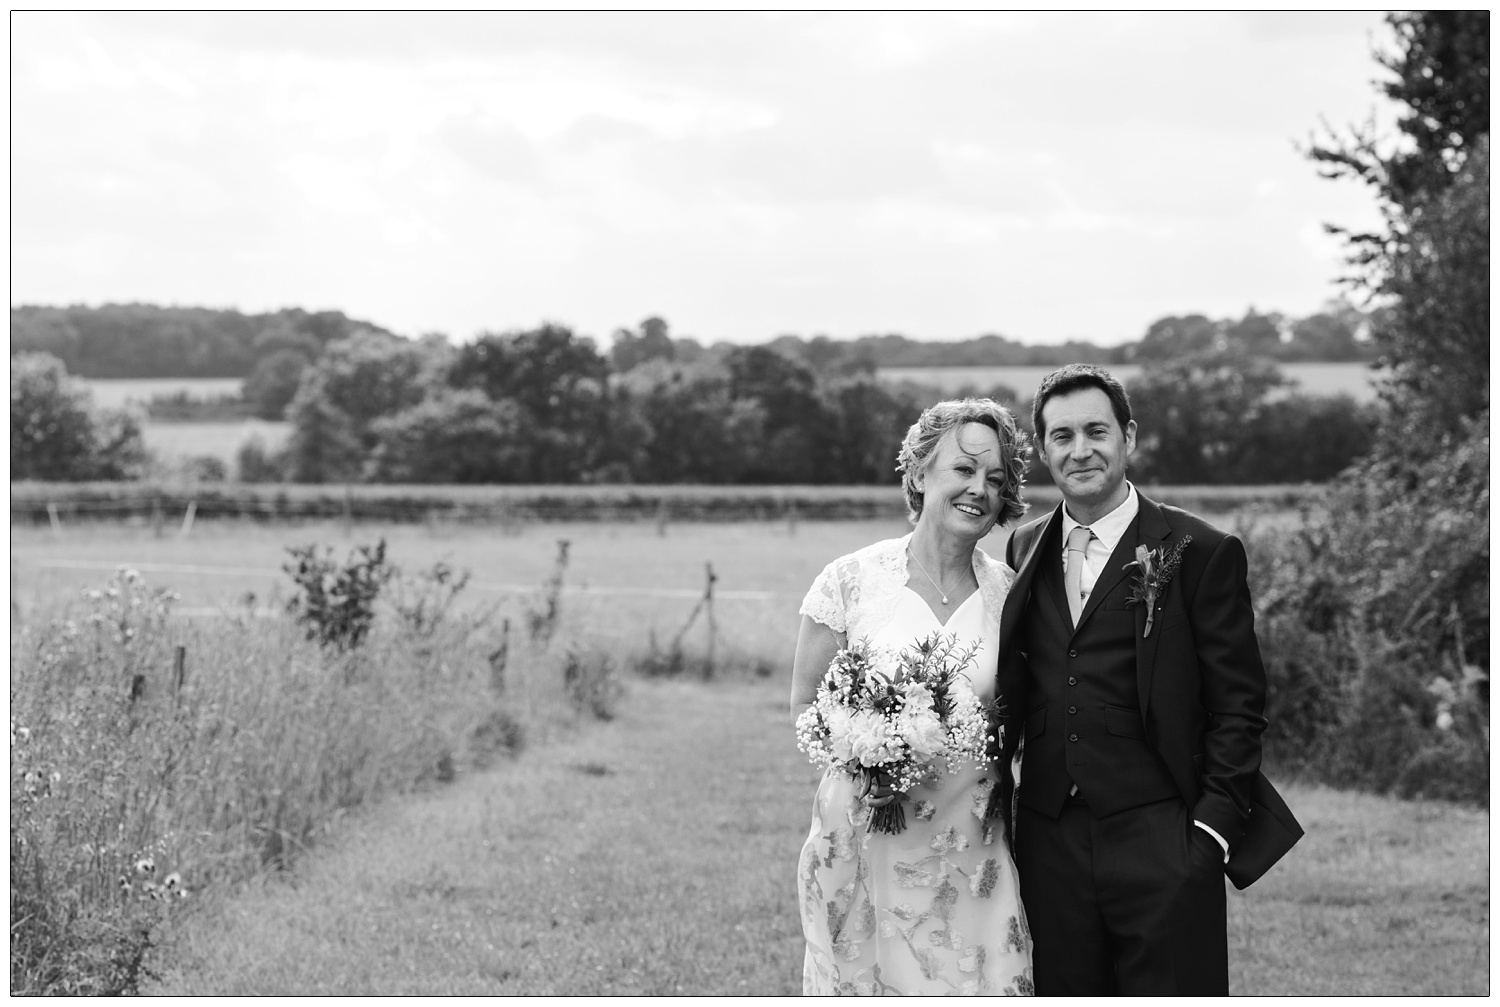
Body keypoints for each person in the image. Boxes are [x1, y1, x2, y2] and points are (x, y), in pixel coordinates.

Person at [995, 363, 1293, 995]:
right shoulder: (1023, 548)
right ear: (1043, 450)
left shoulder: (1200, 550)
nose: (1081, 451)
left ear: (1128, 437)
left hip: (1164, 834)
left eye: (1097, 431)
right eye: (1062, 436)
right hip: (1049, 843)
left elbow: (1239, 708)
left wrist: (1207, 838)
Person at [791, 398, 1034, 996]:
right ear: (920, 471)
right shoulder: (850, 580)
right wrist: (866, 750)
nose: (980, 488)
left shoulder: (1014, 595)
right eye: (964, 469)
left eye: (996, 479)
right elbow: (804, 705)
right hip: (863, 843)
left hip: (974, 853)